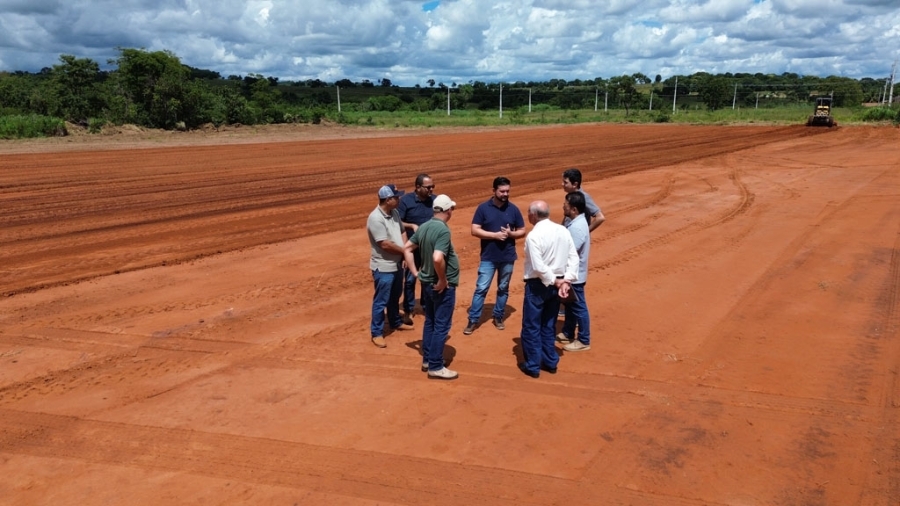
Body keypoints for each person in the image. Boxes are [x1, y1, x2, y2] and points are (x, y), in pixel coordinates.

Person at [518, 200, 579, 378]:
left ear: (534, 215)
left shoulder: (534, 236)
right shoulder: (562, 230)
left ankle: (533, 365)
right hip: (557, 285)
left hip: (539, 286)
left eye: (529, 212)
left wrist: (557, 281)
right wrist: (566, 280)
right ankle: (550, 361)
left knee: (531, 326)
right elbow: (573, 258)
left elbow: (538, 266)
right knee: (549, 324)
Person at [403, 194, 460, 380]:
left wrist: (415, 272)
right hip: (441, 286)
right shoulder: (443, 230)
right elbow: (437, 258)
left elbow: (407, 248)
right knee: (441, 325)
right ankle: (435, 366)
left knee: (431, 322)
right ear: (447, 211)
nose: (452, 211)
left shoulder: (425, 226)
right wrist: (443, 279)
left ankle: (427, 359)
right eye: (451, 208)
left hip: (426, 283)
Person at [463, 176, 526, 335]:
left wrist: (511, 234)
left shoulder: (513, 209)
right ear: (494, 191)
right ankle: (473, 320)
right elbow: (475, 230)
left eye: (507, 191)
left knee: (503, 288)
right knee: (481, 288)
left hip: (507, 257)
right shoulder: (483, 208)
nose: (505, 194)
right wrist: (495, 235)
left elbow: (522, 230)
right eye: (502, 191)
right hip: (488, 257)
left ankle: (498, 316)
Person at [367, 184, 414, 348]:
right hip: (383, 266)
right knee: (381, 301)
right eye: (396, 197)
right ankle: (377, 333)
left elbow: (402, 230)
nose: (399, 199)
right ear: (388, 200)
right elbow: (384, 244)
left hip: (396, 264)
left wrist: (404, 250)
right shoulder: (375, 218)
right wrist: (405, 252)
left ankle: (395, 321)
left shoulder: (393, 212)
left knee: (395, 296)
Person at [556, 191, 592, 352]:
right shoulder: (576, 222)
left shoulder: (577, 228)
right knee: (570, 305)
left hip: (574, 275)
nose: (563, 206)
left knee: (578, 307)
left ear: (574, 209)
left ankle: (583, 340)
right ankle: (568, 332)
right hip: (573, 274)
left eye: (566, 205)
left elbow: (570, 253)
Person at [397, 173, 435, 324]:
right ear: (418, 187)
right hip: (412, 248)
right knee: (410, 280)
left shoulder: (435, 200)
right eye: (428, 187)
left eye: (433, 186)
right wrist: (412, 225)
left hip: (429, 247)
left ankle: (426, 306)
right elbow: (398, 221)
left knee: (427, 279)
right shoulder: (406, 201)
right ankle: (408, 309)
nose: (431, 189)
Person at [561, 167, 605, 233]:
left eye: (565, 182)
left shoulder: (584, 197)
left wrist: (585, 232)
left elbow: (600, 217)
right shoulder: (570, 195)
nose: (562, 184)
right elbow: (567, 216)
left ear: (575, 184)